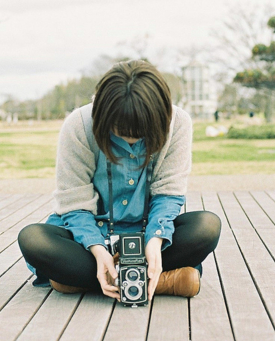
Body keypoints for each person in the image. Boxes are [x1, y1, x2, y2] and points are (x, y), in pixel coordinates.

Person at [18, 60, 221, 301]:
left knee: (207, 226)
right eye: (119, 131)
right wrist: (97, 248)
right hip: (90, 236)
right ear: (103, 114)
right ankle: (163, 281)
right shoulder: (79, 125)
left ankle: (81, 282)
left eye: (141, 133)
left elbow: (168, 194)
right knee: (33, 239)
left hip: (148, 234)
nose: (131, 141)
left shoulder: (177, 123)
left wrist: (155, 241)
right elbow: (75, 203)